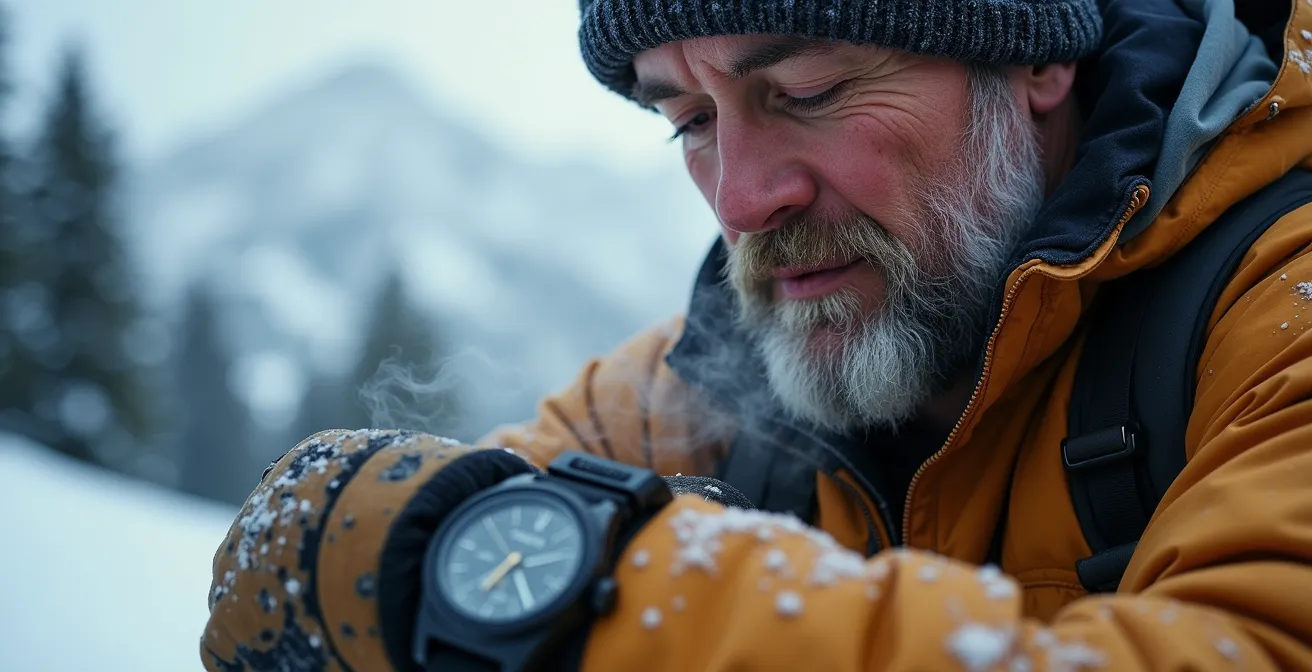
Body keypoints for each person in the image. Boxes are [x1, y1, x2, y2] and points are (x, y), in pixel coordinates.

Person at [201, 0, 1312, 670]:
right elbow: (439, 529)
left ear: (1032, 62)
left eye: (810, 88)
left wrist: (583, 598)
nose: (738, 198)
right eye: (686, 121)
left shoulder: (1276, 304)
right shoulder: (706, 385)